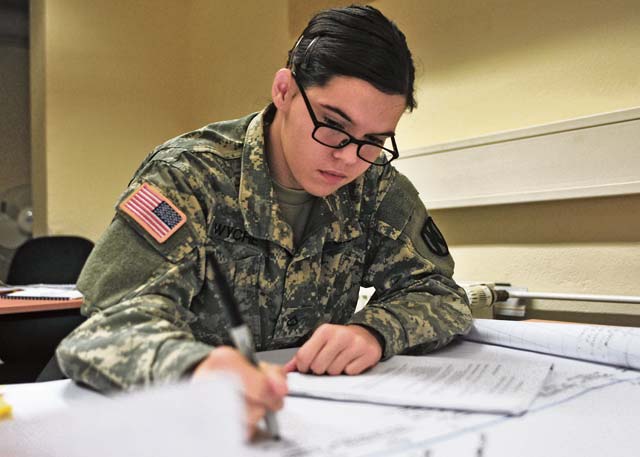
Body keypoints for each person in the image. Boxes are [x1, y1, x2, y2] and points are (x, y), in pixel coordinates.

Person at [57, 4, 472, 437]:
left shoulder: (377, 188)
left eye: (373, 141)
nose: (349, 157)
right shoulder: (188, 177)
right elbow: (106, 326)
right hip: (181, 422)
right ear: (284, 91)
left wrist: (376, 331)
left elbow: (442, 295)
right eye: (333, 125)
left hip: (310, 421)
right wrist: (194, 367)